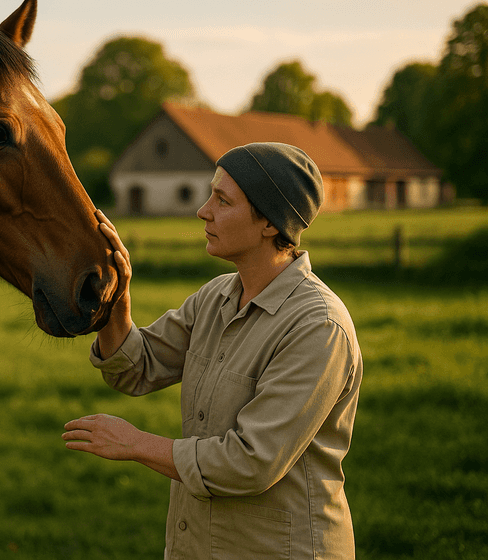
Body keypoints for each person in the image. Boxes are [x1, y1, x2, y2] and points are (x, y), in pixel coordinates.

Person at [63, 143, 362, 559]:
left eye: (223, 200)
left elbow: (251, 462)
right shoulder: (216, 297)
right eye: (210, 195)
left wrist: (135, 443)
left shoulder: (317, 327)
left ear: (269, 223)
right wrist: (118, 297)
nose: (203, 211)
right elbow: (136, 368)